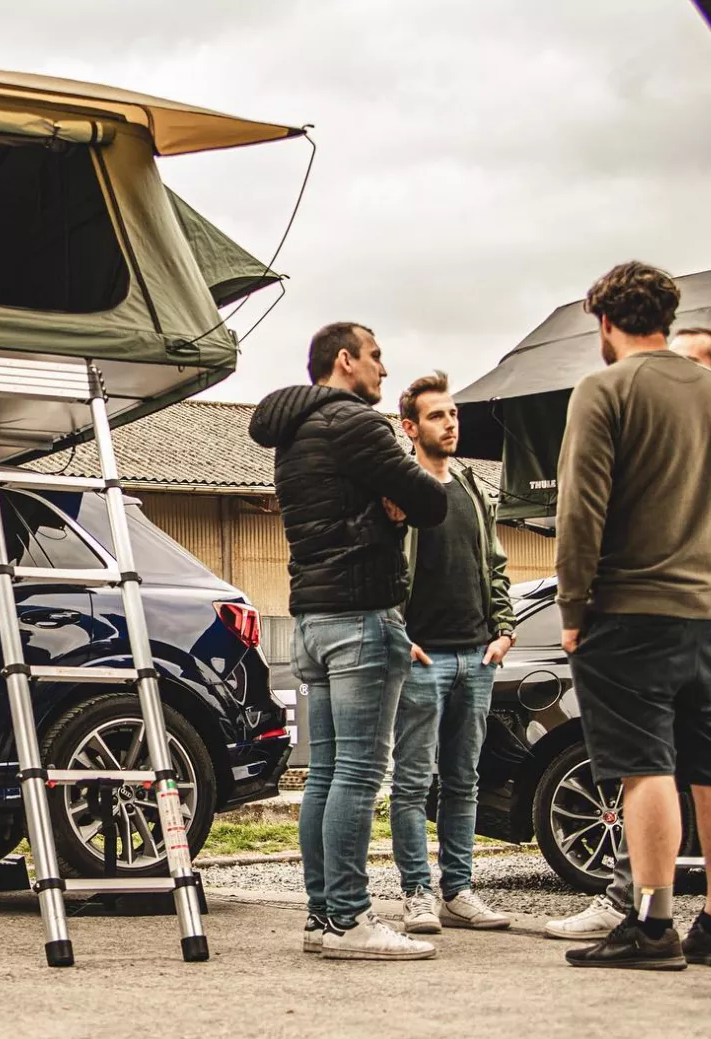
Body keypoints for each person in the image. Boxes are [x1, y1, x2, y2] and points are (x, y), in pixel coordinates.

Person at [545, 327, 711, 950]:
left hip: (657, 610)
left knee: (647, 768)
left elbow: (581, 509)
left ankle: (652, 925)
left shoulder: (610, 391)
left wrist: (574, 606)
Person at [249, 322, 447, 960]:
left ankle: (320, 916)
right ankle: (349, 920)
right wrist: (398, 495)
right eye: (376, 357)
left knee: (326, 775)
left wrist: (380, 500)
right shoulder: (357, 424)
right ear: (344, 360)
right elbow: (432, 500)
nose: (384, 372)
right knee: (359, 775)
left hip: (311, 618)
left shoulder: (294, 431)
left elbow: (343, 505)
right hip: (363, 615)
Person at [388, 372, 516, 934]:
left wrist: (504, 631)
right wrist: (400, 636)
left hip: (477, 657)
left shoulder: (470, 486)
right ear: (409, 427)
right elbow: (383, 569)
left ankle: (457, 892)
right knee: (414, 783)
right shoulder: (400, 488)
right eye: (438, 416)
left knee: (465, 782)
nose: (452, 423)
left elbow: (495, 564)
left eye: (454, 414)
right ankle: (417, 893)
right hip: (423, 658)